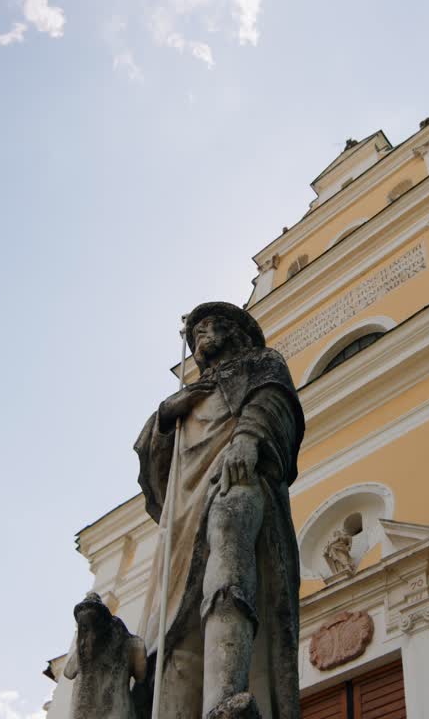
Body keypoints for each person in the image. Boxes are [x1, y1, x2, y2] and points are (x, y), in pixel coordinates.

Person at [134, 302, 304, 719]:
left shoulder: (261, 362)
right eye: (194, 336)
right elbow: (156, 466)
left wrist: (249, 435)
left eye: (208, 328)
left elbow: (273, 400)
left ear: (233, 330)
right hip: (184, 507)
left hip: (236, 474)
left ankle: (226, 696)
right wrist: (164, 416)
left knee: (230, 561)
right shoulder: (188, 396)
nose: (200, 339)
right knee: (176, 619)